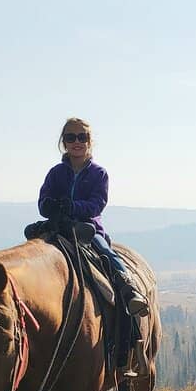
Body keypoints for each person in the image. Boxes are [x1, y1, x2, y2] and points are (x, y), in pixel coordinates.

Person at [37, 117, 149, 319]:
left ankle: (129, 288)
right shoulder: (55, 173)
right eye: (71, 137)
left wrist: (73, 207)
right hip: (58, 226)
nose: (77, 142)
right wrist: (50, 206)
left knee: (104, 250)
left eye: (82, 137)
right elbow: (43, 202)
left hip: (88, 228)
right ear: (64, 143)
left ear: (89, 141)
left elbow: (97, 204)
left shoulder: (99, 173)